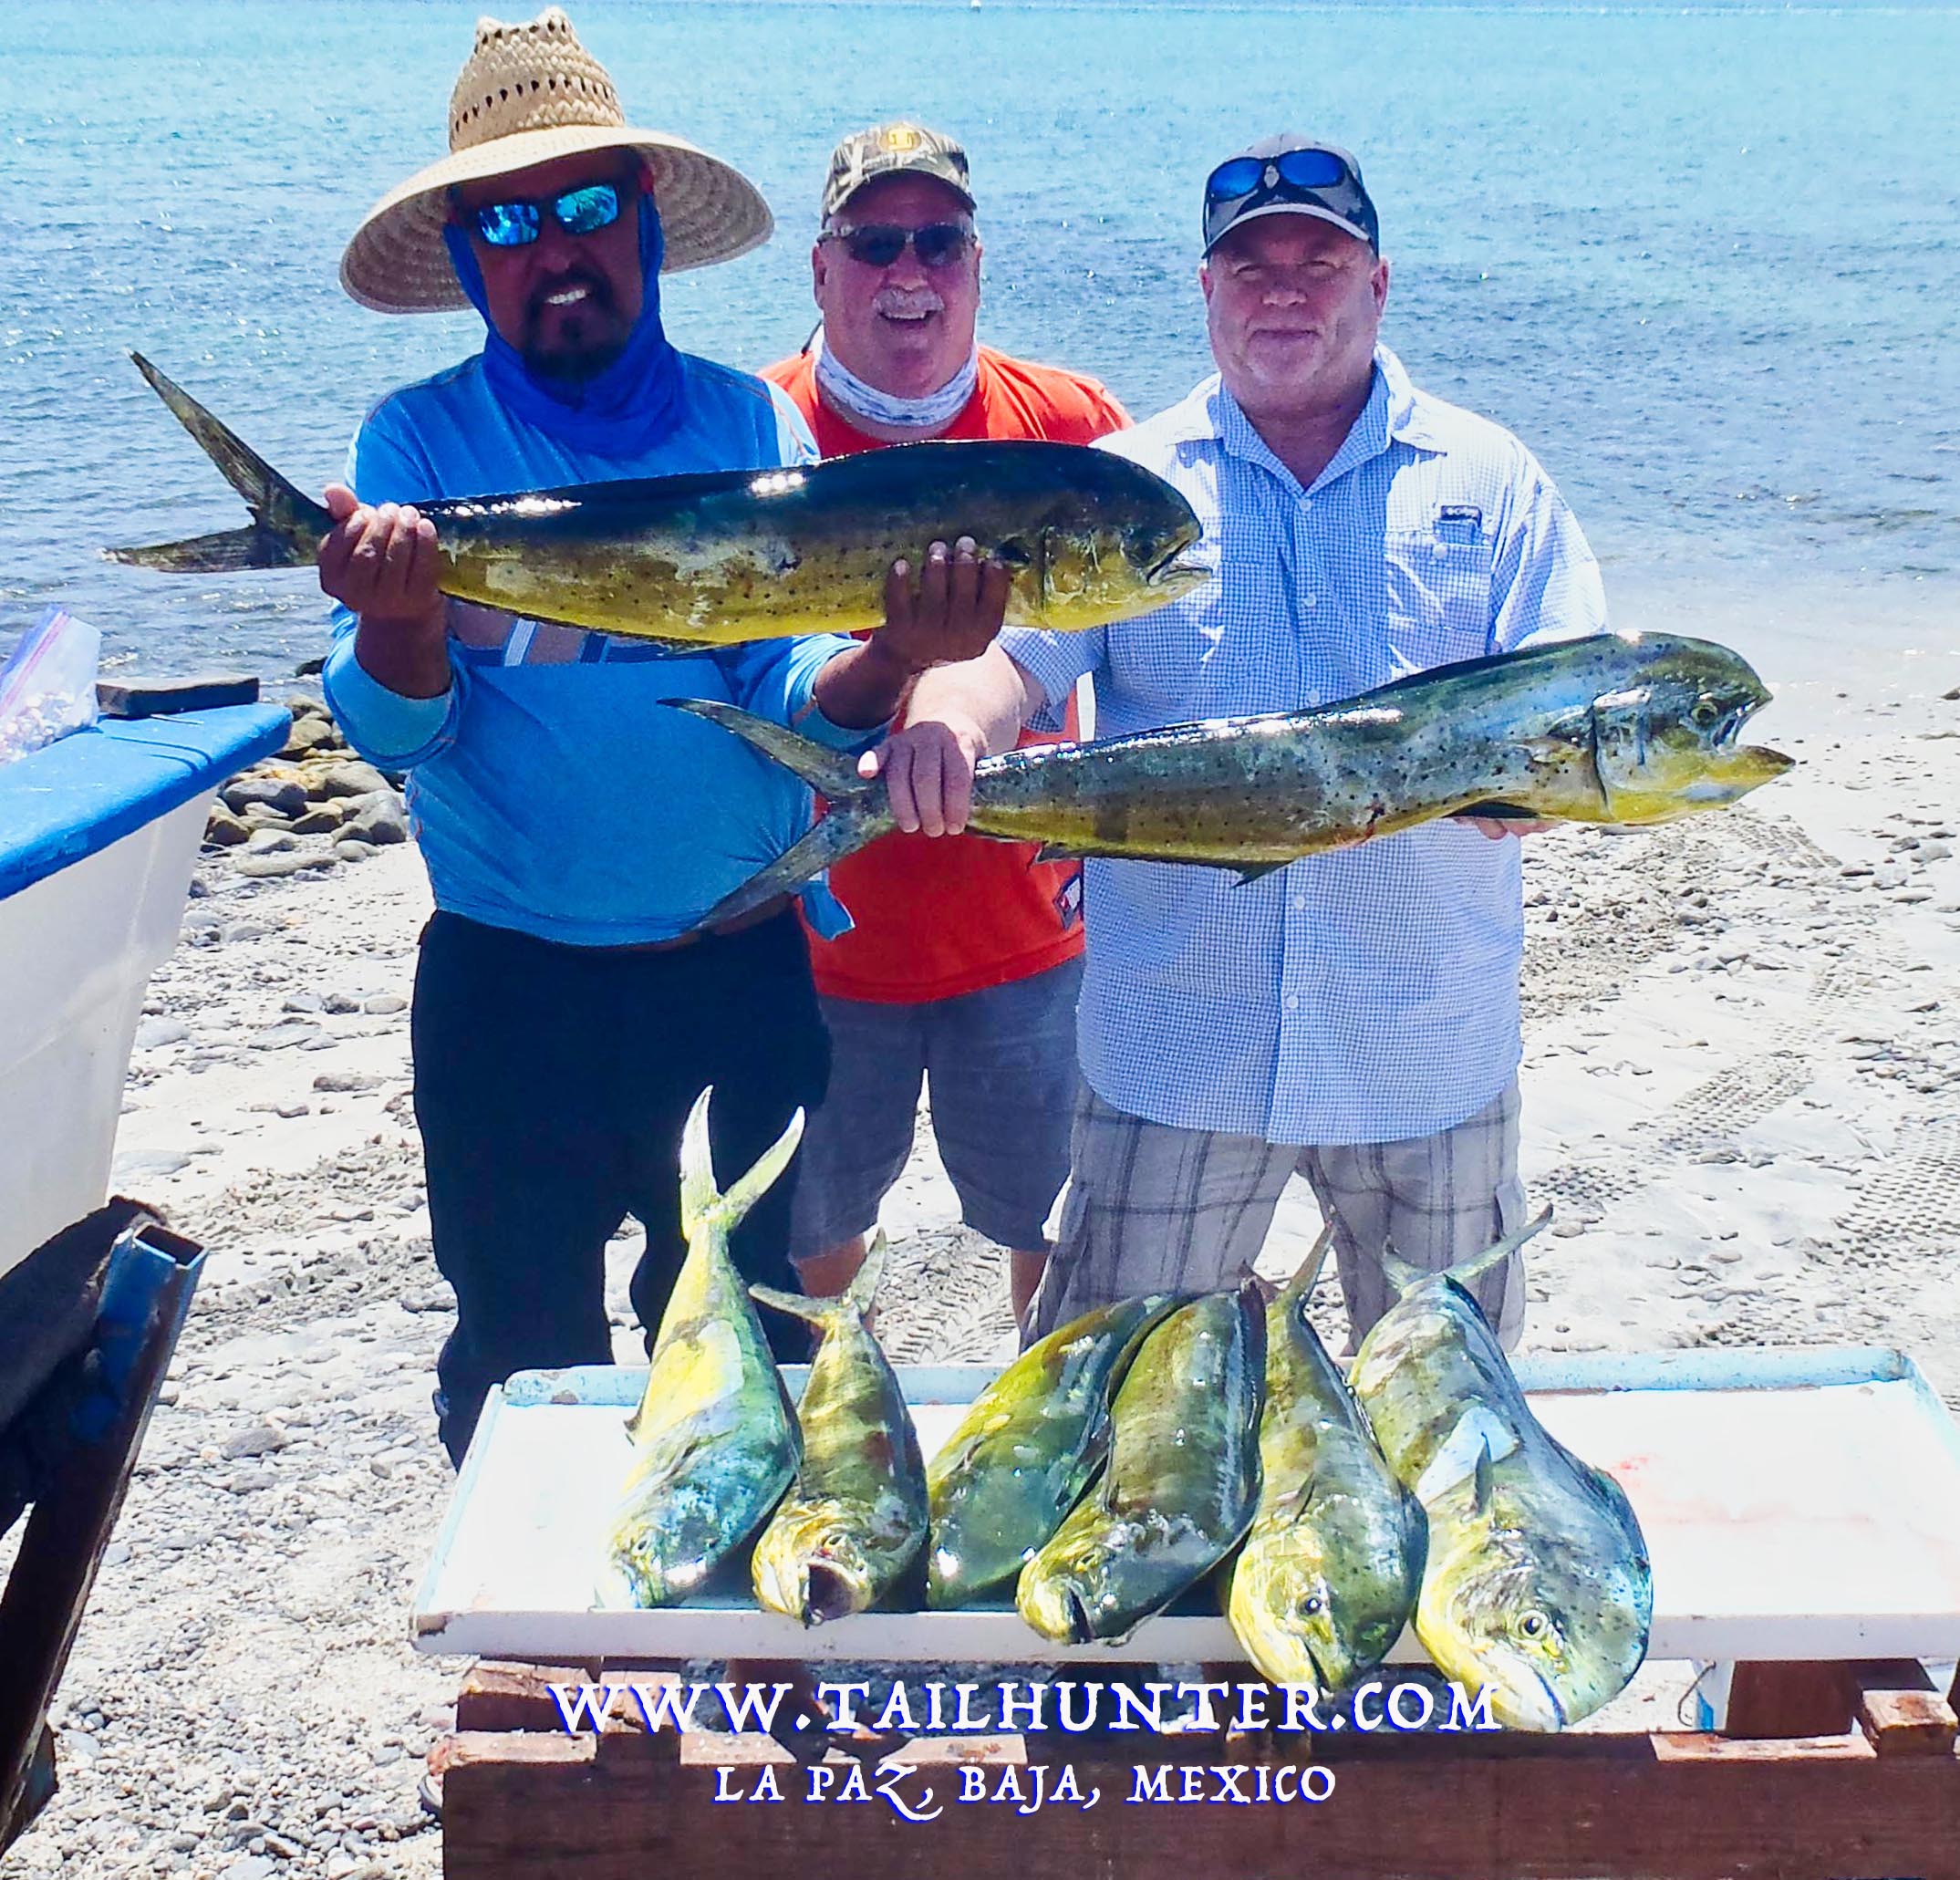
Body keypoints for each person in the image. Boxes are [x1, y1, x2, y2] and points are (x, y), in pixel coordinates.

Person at [316, 10, 1006, 1465]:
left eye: (582, 207)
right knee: (518, 1359)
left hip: (738, 971)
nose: (553, 249)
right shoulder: (416, 447)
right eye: (510, 223)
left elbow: (790, 693)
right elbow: (395, 733)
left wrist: (898, 653)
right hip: (510, 987)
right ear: (468, 257)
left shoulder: (749, 423)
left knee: (755, 1357)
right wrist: (396, 622)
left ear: (639, 220)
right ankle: (557, 1609)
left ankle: (740, 1598)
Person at [873, 137, 1609, 1353]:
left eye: (1319, 265)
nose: (1283, 294)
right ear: (1206, 290)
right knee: (1112, 1403)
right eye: (1251, 268)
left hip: (1423, 1048)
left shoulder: (1491, 480)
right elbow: (1006, 659)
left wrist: (1532, 783)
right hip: (1176, 1048)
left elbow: (1567, 688)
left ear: (1378, 284)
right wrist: (947, 722)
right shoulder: (1128, 485)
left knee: (1442, 1411)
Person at [759, 122, 1130, 1334]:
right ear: (822, 269)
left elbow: (1145, 652)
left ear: (976, 263)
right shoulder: (757, 431)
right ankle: (844, 1406)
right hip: (811, 945)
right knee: (808, 1228)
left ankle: (1039, 1405)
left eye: (938, 242)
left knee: (1059, 1223)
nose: (908, 272)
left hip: (1031, 930)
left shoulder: (1072, 424)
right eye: (875, 244)